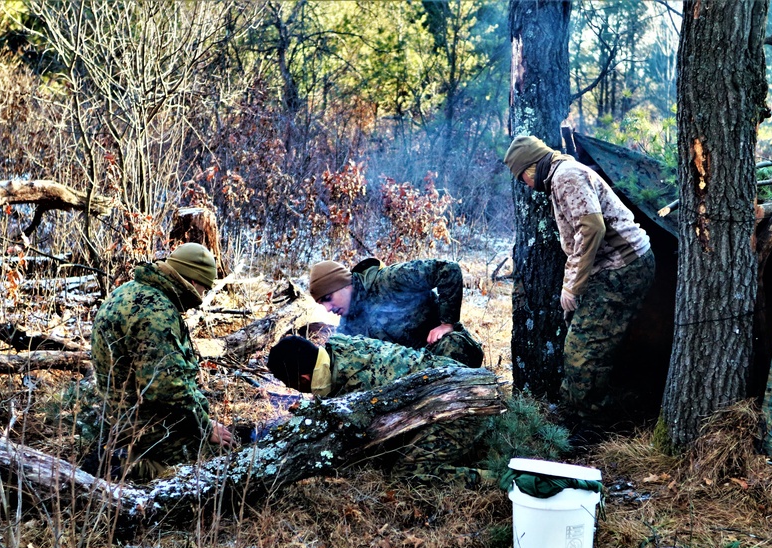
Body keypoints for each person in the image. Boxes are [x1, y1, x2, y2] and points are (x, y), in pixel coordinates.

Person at [504, 135, 655, 424]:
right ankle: (575, 412)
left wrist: (572, 286)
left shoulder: (566, 176)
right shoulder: (560, 176)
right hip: (611, 268)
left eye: (521, 175)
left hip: (624, 267)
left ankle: (592, 424)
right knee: (579, 340)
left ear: (532, 167)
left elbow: (591, 228)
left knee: (582, 352)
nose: (523, 183)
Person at [86, 242, 234, 481]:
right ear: (192, 281)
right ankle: (128, 467)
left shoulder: (130, 290)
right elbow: (167, 388)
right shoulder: (156, 311)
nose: (202, 296)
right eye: (203, 289)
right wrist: (205, 427)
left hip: (118, 415)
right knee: (220, 462)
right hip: (147, 426)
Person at [266, 333, 488, 486]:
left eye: (294, 385)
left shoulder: (355, 386)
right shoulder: (342, 350)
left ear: (305, 379)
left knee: (408, 475)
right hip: (461, 387)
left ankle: (496, 478)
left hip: (462, 406)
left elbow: (368, 450)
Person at [308, 257, 484, 368]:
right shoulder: (348, 326)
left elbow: (448, 270)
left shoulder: (390, 280)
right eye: (322, 304)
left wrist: (447, 323)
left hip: (445, 352)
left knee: (452, 345)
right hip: (409, 375)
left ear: (345, 284)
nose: (328, 309)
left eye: (328, 298)